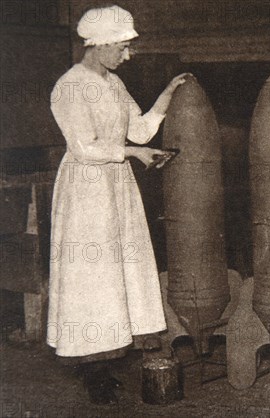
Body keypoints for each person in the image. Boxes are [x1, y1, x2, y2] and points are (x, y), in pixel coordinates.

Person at [47, 4, 191, 404]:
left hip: (116, 185)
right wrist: (131, 153)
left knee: (116, 273)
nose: (128, 55)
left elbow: (142, 131)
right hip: (86, 188)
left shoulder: (112, 83)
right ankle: (93, 371)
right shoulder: (70, 85)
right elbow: (83, 146)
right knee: (92, 275)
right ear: (100, 44)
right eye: (123, 47)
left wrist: (168, 92)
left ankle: (107, 362)